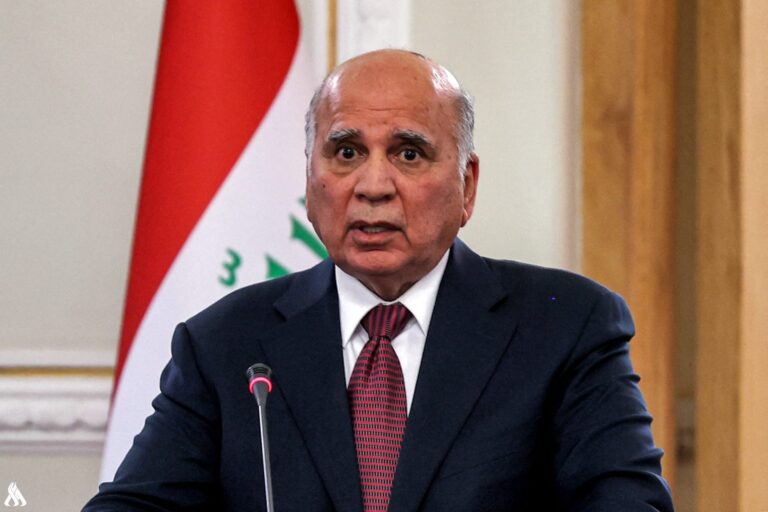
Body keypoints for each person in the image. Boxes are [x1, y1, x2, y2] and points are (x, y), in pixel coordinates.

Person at [85, 50, 674, 511]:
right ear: (310, 181)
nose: (372, 186)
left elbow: (628, 504)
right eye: (345, 152)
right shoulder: (226, 344)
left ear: (467, 186)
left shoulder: (565, 328)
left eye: (408, 154)